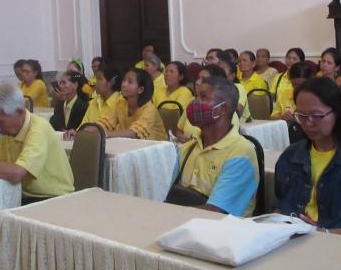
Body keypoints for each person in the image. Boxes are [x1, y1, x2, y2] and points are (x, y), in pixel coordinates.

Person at [274, 77, 341, 239]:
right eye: (301, 116)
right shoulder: (290, 155)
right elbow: (280, 208)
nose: (308, 123)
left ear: (337, 112)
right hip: (290, 239)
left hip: (336, 244)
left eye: (317, 116)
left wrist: (320, 234)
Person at [0, 83, 74, 205]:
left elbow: (18, 173)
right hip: (23, 194)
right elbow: (2, 165)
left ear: (19, 112)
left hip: (54, 198)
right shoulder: (9, 130)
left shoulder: (38, 128)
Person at [174, 76, 259, 216]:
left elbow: (216, 212)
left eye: (203, 97)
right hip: (185, 221)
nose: (194, 103)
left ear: (223, 109)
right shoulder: (187, 148)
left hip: (222, 227)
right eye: (196, 96)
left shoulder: (241, 152)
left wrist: (170, 215)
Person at [88, 68, 166, 141]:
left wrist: (106, 134)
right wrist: (86, 131)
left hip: (156, 148)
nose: (124, 84)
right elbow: (105, 123)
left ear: (140, 89)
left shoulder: (149, 108)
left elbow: (135, 133)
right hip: (131, 145)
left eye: (130, 82)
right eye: (124, 80)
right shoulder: (120, 103)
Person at [78, 62, 122, 127]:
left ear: (111, 81)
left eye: (99, 78)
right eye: (96, 79)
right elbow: (82, 127)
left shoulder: (120, 103)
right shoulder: (93, 102)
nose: (96, 82)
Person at [216, 51, 249, 122]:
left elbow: (238, 113)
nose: (218, 74)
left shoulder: (239, 88)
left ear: (232, 76)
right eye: (217, 71)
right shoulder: (214, 88)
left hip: (241, 124)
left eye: (222, 71)